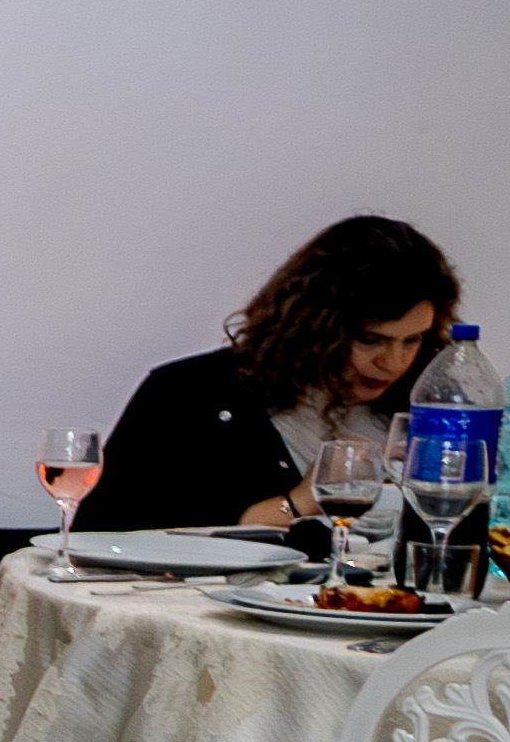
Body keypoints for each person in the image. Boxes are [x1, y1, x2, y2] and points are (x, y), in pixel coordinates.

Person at [76, 215, 460, 532]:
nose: (393, 362)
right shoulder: (190, 393)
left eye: (412, 340)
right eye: (371, 340)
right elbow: (103, 535)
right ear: (316, 326)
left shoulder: (427, 406)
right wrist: (303, 501)